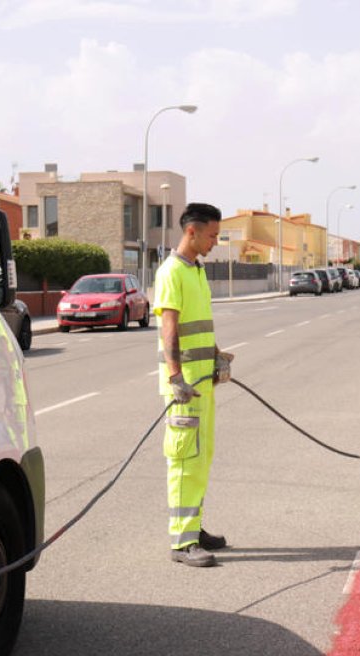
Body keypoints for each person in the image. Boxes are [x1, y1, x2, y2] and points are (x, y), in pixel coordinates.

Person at [154, 202, 234, 567]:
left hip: (203, 384)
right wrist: (175, 378)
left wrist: (217, 355)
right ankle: (183, 542)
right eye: (212, 235)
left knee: (201, 459)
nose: (215, 242)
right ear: (192, 232)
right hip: (185, 388)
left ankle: (195, 527)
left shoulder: (196, 271)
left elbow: (198, 325)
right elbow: (169, 327)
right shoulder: (172, 272)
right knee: (184, 461)